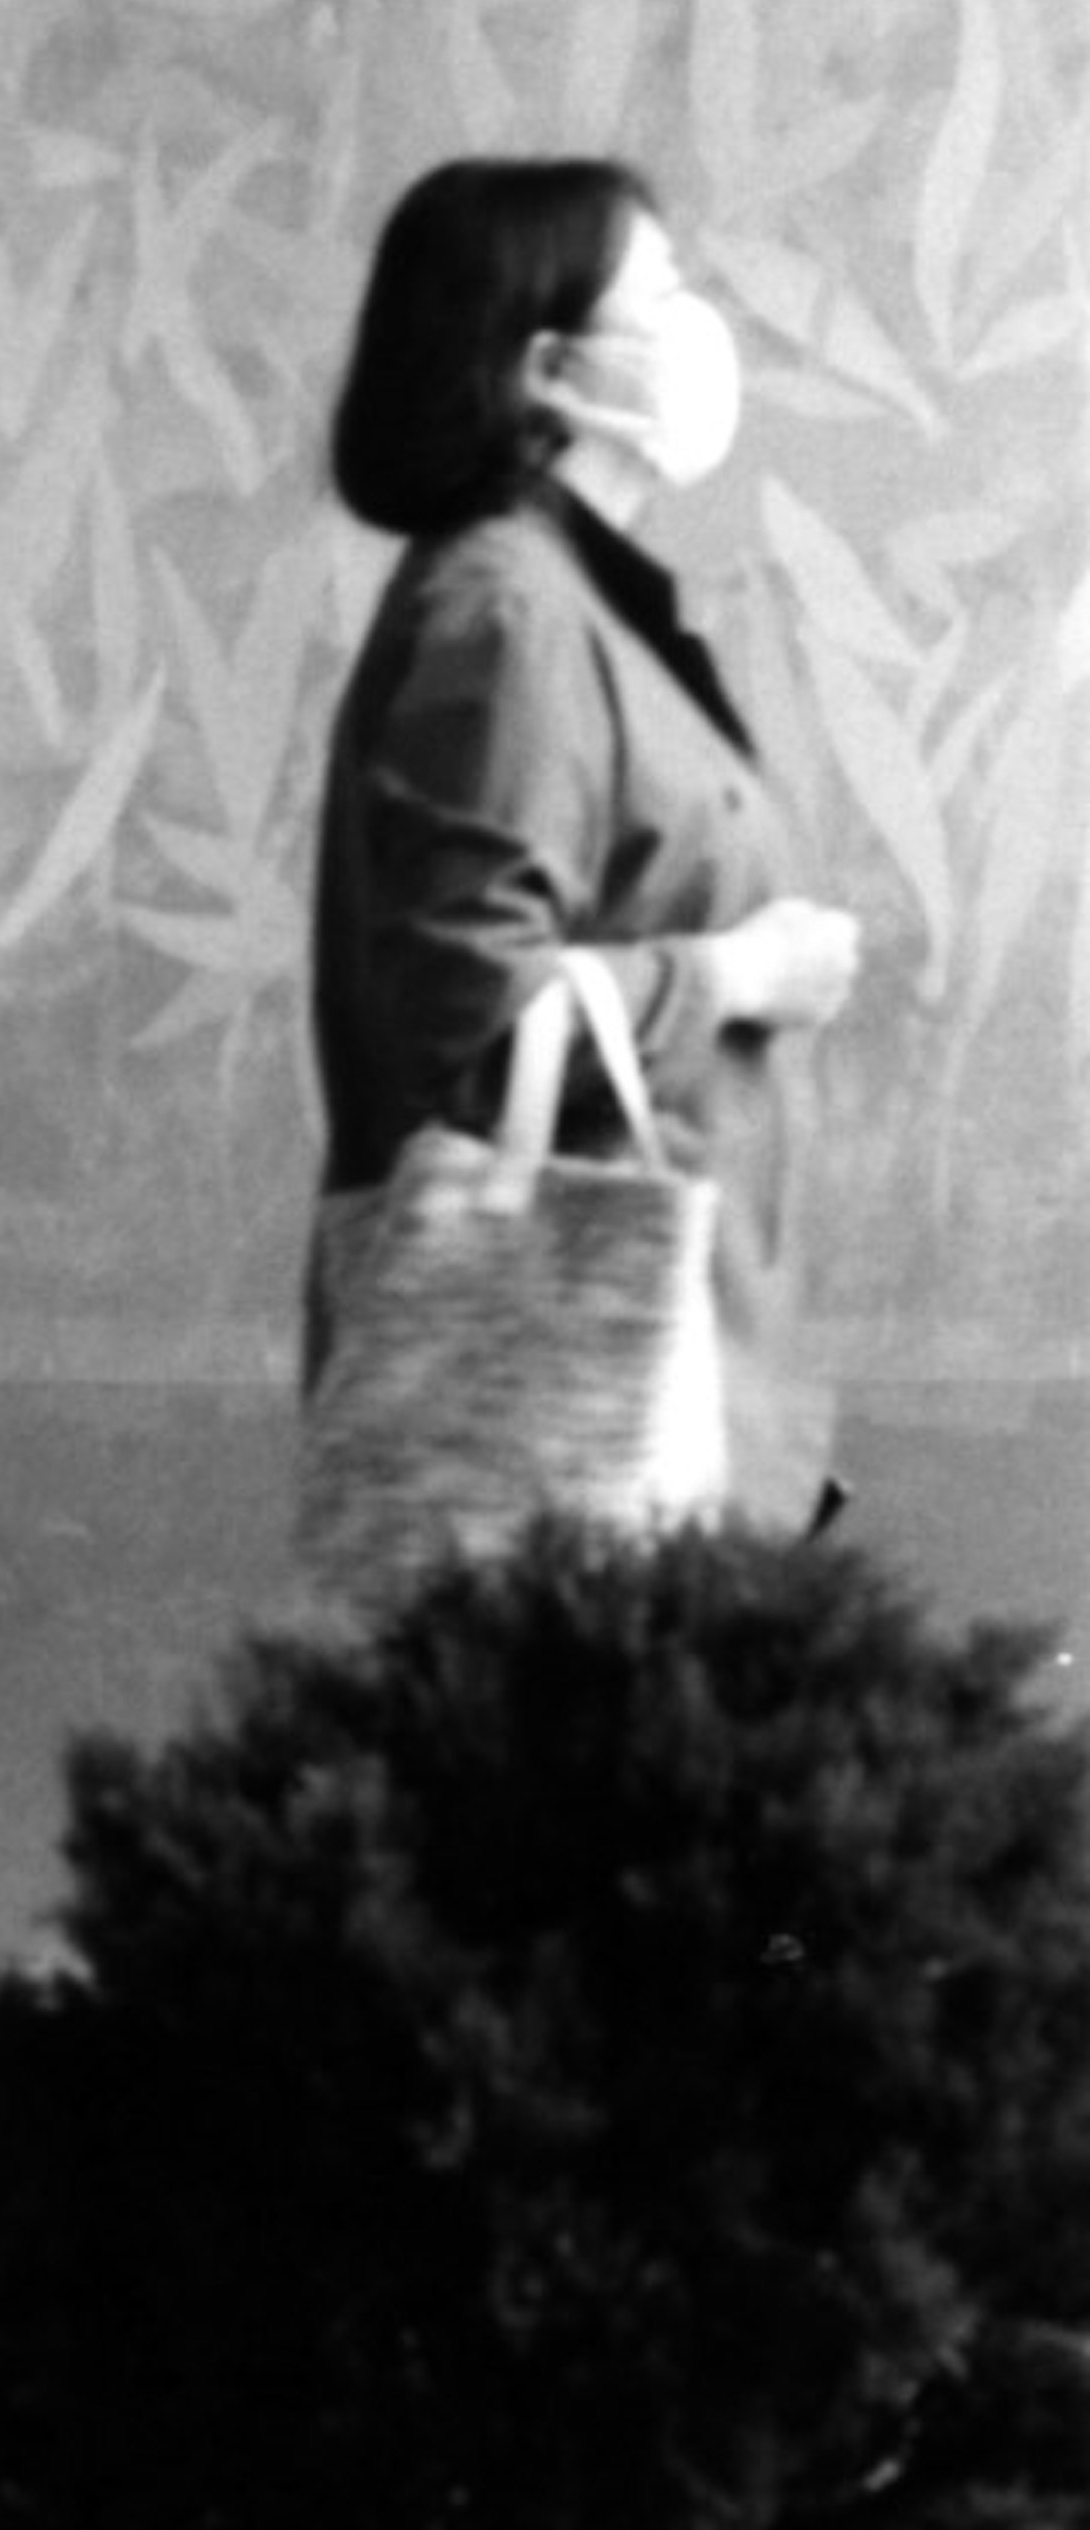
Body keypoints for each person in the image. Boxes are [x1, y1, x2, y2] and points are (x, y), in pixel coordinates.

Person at [308, 154, 863, 1534]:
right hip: (583, 1402)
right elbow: (475, 1022)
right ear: (552, 370)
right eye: (663, 294)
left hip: (663, 1371)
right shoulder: (511, 616)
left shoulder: (567, 604)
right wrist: (736, 977)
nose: (698, 327)